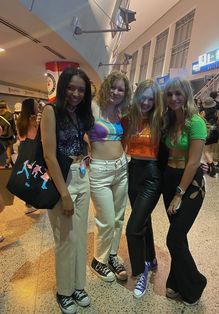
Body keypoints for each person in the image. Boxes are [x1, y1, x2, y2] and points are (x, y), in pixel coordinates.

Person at [40, 67, 94, 314]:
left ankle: (78, 286)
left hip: (81, 174)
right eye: (71, 87)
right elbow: (49, 156)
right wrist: (64, 193)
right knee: (65, 239)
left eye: (81, 90)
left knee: (80, 236)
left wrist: (87, 154)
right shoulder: (51, 111)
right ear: (62, 87)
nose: (75, 93)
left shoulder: (80, 113)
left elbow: (82, 138)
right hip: (62, 179)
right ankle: (64, 291)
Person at [161, 77, 207, 306]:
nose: (174, 98)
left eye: (178, 94)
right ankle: (176, 279)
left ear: (187, 95)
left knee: (174, 238)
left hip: (189, 186)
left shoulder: (195, 122)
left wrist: (179, 193)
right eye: (169, 94)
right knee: (179, 235)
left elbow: (193, 162)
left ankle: (196, 282)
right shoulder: (168, 121)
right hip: (169, 181)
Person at [88, 71, 131, 282]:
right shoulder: (93, 107)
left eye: (120, 89)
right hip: (99, 171)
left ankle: (112, 255)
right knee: (105, 219)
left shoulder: (121, 111)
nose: (115, 92)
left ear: (125, 93)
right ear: (106, 87)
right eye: (113, 87)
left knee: (118, 217)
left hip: (121, 168)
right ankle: (98, 260)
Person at [122, 79, 163, 298]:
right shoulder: (129, 119)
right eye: (143, 97)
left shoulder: (161, 120)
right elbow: (107, 134)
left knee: (133, 228)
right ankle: (152, 258)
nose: (146, 102)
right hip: (133, 171)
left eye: (151, 98)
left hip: (152, 176)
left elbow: (177, 141)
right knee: (144, 219)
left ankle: (141, 272)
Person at [16, 98, 42, 214]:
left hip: (23, 148)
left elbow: (21, 137)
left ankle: (29, 202)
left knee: (28, 176)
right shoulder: (33, 120)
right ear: (32, 107)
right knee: (34, 175)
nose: (38, 107)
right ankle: (31, 202)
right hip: (33, 149)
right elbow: (34, 136)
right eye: (36, 105)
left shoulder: (20, 121)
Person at [200, 97, 219, 177]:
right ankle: (211, 165)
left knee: (206, 152)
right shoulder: (217, 112)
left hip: (207, 134)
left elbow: (200, 123)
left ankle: (212, 168)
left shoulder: (203, 112)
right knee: (210, 151)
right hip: (215, 133)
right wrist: (218, 130)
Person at [0, 99, 17, 168]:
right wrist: (15, 134)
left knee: (2, 151)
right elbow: (13, 126)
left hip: (1, 137)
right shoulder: (10, 114)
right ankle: (8, 163)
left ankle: (7, 163)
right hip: (9, 137)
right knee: (9, 151)